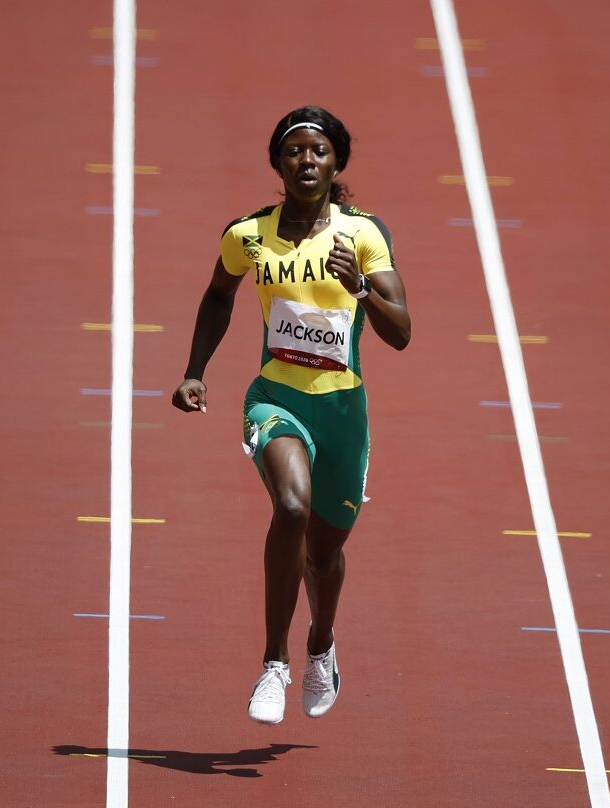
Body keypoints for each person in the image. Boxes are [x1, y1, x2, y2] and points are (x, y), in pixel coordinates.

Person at [171, 106, 411, 724]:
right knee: (292, 508)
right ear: (278, 164)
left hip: (342, 410)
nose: (307, 161)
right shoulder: (248, 234)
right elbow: (218, 294)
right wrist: (196, 370)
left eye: (319, 151)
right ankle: (273, 664)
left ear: (337, 164)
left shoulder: (363, 234)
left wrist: (360, 287)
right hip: (276, 396)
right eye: (295, 152)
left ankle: (319, 645)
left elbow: (402, 331)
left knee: (325, 556)